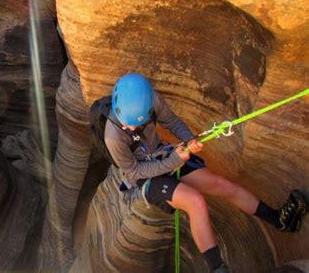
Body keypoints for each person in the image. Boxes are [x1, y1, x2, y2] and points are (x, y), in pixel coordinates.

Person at [103, 73, 306, 273]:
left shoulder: (152, 100)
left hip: (163, 155)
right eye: (129, 123)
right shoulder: (113, 137)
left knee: (221, 185)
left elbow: (172, 122)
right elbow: (135, 170)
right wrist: (174, 160)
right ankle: (218, 269)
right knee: (195, 202)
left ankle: (279, 220)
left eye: (137, 123)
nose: (132, 127)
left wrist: (190, 140)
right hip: (145, 177)